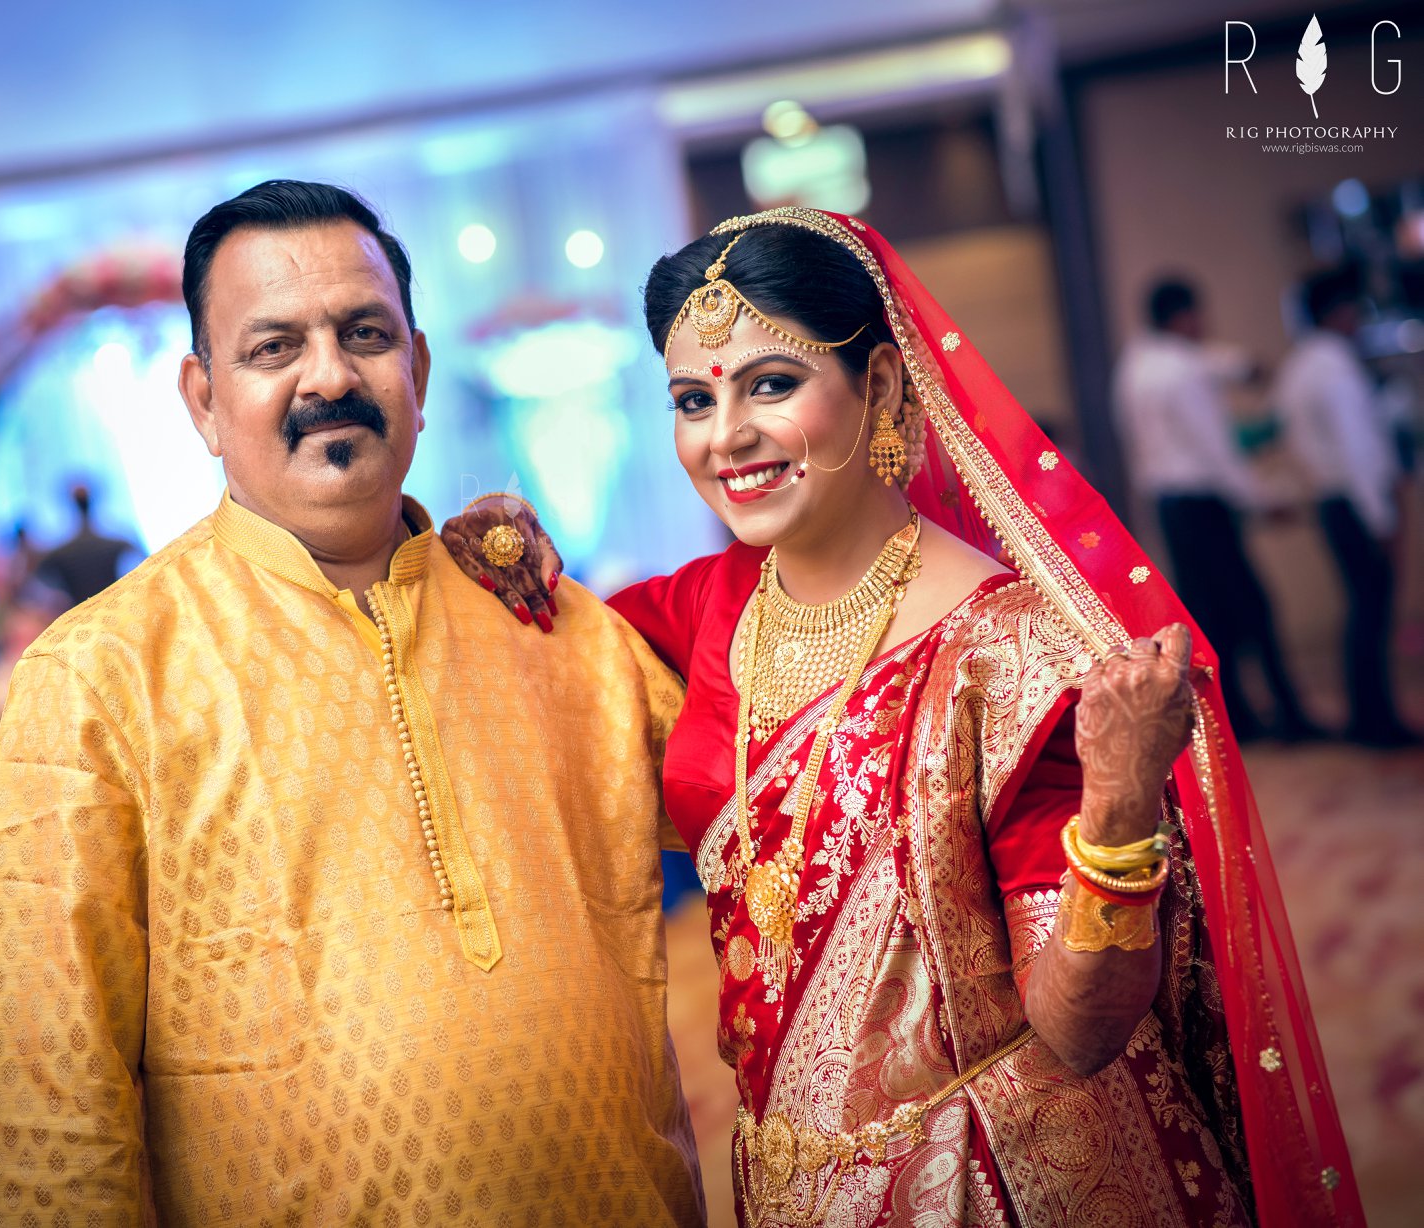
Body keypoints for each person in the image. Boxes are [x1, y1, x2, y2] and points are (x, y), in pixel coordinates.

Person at [449, 208, 1362, 1226]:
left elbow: (1078, 1030)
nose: (724, 436)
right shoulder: (701, 606)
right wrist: (490, 550)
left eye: (770, 384)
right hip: (783, 1182)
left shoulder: (1008, 657)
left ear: (880, 385)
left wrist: (1115, 806)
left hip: (992, 1181)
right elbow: (529, 670)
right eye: (692, 399)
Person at [0, 181, 705, 1227]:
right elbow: (56, 1105)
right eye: (273, 347)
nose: (329, 375)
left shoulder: (551, 619)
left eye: (364, 334)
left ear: (416, 370)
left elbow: (788, 816)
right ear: (202, 399)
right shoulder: (96, 676)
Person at [1111, 278, 1316, 741]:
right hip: (1205, 504)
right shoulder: (1182, 372)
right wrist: (1263, 500)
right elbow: (1217, 449)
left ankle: (1233, 719)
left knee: (1207, 617)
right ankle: (1290, 717)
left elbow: (1209, 362)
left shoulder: (1135, 366)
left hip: (1169, 508)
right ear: (1183, 317)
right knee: (1254, 608)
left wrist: (1242, 366)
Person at [1274, 267, 1415, 747]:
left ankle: (1369, 716)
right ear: (1339, 311)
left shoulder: (1299, 365)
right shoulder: (1334, 365)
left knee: (1362, 608)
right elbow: (1359, 449)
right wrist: (1381, 517)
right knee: (1371, 610)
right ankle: (1377, 721)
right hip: (1355, 501)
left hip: (1331, 499)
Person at [35, 483, 142, 606]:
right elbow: (143, 558)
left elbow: (38, 577)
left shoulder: (61, 552)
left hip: (80, 613)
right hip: (114, 607)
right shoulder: (114, 544)